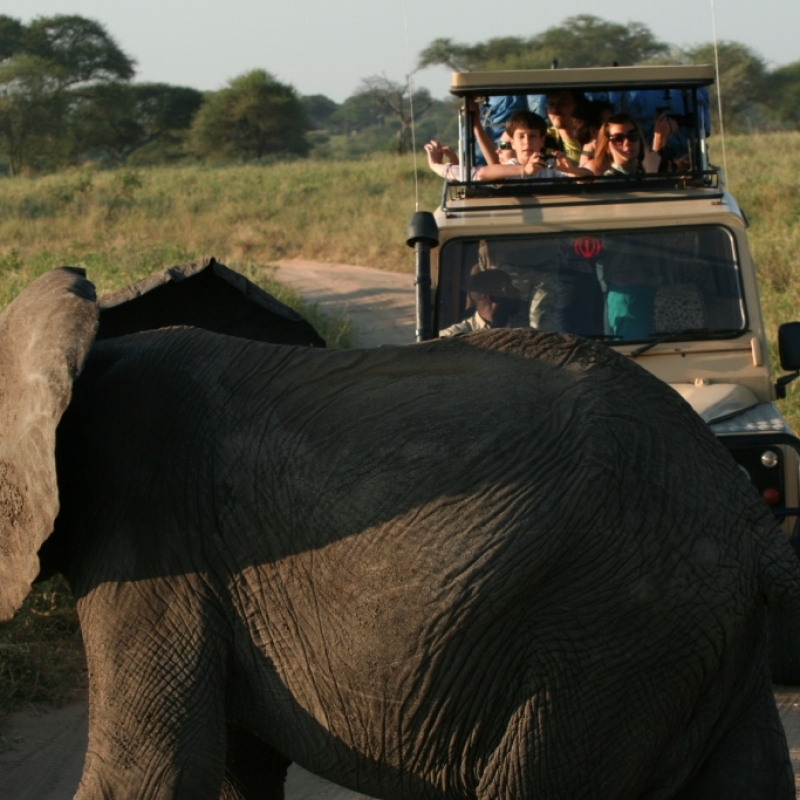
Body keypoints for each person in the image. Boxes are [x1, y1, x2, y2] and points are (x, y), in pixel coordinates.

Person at [474, 111, 583, 181]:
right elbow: (483, 173)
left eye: (533, 136)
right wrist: (524, 170)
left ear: (542, 141)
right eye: (521, 136)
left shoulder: (549, 167)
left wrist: (572, 170)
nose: (527, 142)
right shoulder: (510, 167)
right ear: (512, 143)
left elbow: (589, 177)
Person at [587, 112, 679, 177]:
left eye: (633, 135)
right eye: (618, 138)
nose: (627, 142)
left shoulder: (640, 172)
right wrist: (651, 175)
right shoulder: (610, 180)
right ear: (607, 147)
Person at [439, 269, 522, 336]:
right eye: (508, 287)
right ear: (492, 296)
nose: (517, 292)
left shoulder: (523, 333)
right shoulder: (454, 336)